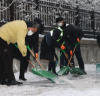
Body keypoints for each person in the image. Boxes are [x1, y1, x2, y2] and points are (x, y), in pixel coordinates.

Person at [0, 20, 39, 85]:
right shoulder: (23, 28)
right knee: (8, 59)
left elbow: (15, 38)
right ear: (31, 27)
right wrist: (25, 54)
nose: (32, 32)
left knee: (2, 60)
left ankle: (1, 79)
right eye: (33, 30)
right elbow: (21, 43)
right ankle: (11, 80)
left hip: (1, 37)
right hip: (2, 38)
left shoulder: (22, 24)